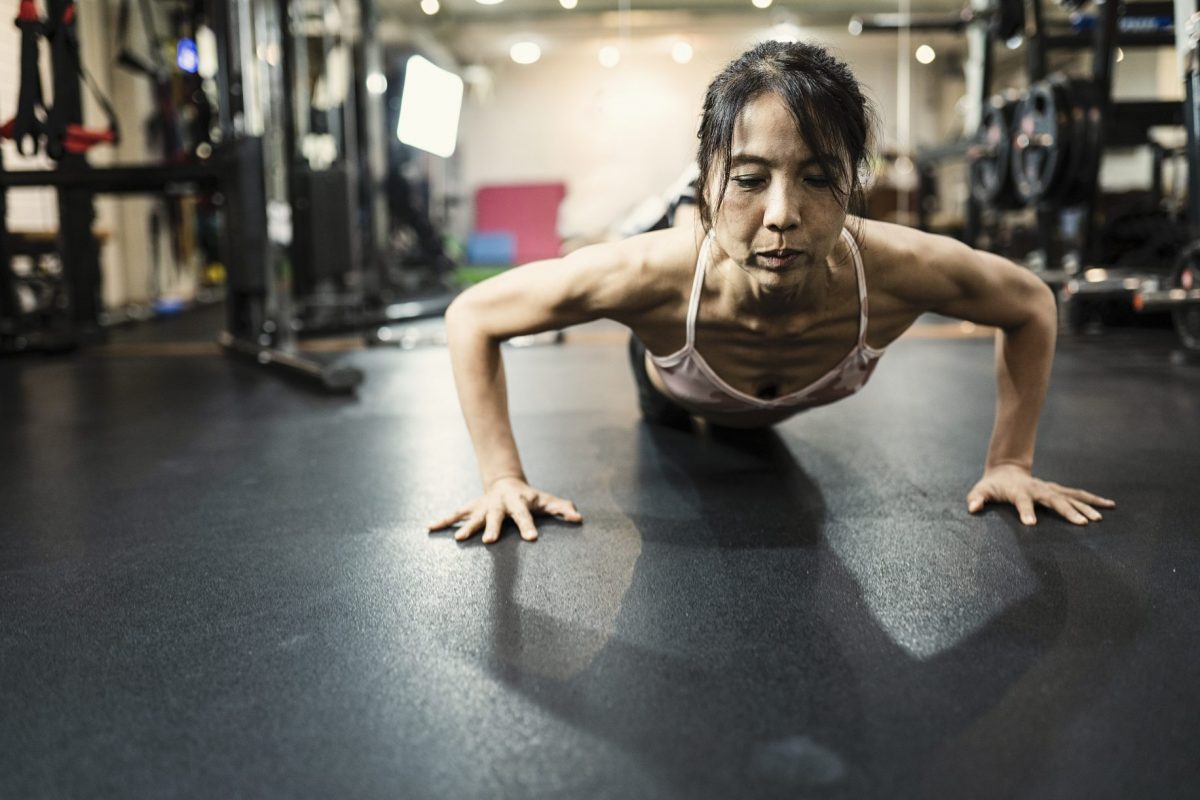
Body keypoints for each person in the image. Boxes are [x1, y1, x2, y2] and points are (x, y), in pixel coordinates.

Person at [428, 40, 1116, 545]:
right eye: (750, 179)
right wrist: (502, 479)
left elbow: (1029, 304)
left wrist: (1010, 462)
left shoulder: (897, 268)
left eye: (819, 178)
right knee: (671, 419)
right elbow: (473, 315)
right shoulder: (650, 275)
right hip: (678, 386)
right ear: (707, 187)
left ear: (852, 184)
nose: (784, 213)